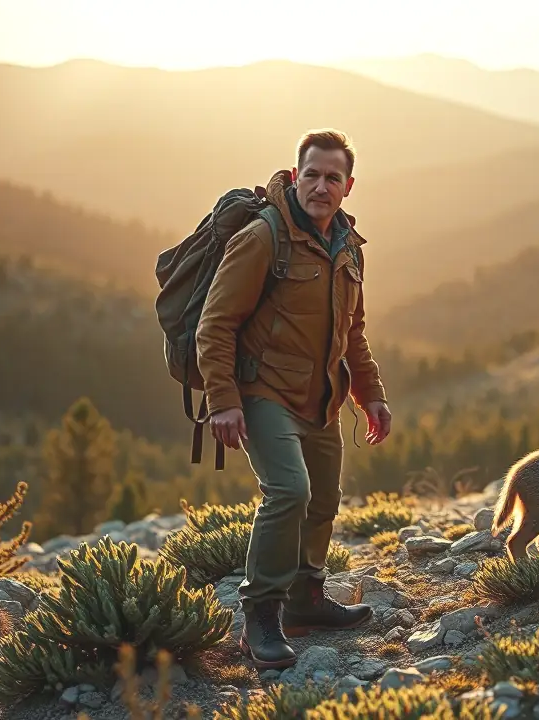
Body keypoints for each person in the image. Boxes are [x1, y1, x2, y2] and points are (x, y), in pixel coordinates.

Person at [195, 128, 391, 669]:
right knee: (288, 491)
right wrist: (224, 400)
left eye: (333, 177)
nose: (321, 186)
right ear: (295, 175)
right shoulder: (264, 237)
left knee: (323, 500)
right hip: (263, 391)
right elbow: (215, 324)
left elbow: (353, 333)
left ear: (348, 186)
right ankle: (260, 615)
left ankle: (305, 602)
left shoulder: (347, 246)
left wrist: (371, 394)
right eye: (312, 174)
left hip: (321, 398)